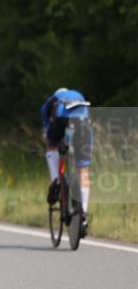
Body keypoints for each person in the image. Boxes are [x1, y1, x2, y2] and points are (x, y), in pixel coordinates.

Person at [41, 87, 92, 236]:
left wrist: (54, 142)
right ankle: (83, 214)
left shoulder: (51, 101)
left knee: (51, 146)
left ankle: (55, 180)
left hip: (60, 122)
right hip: (82, 124)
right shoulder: (79, 96)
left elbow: (46, 130)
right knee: (83, 171)